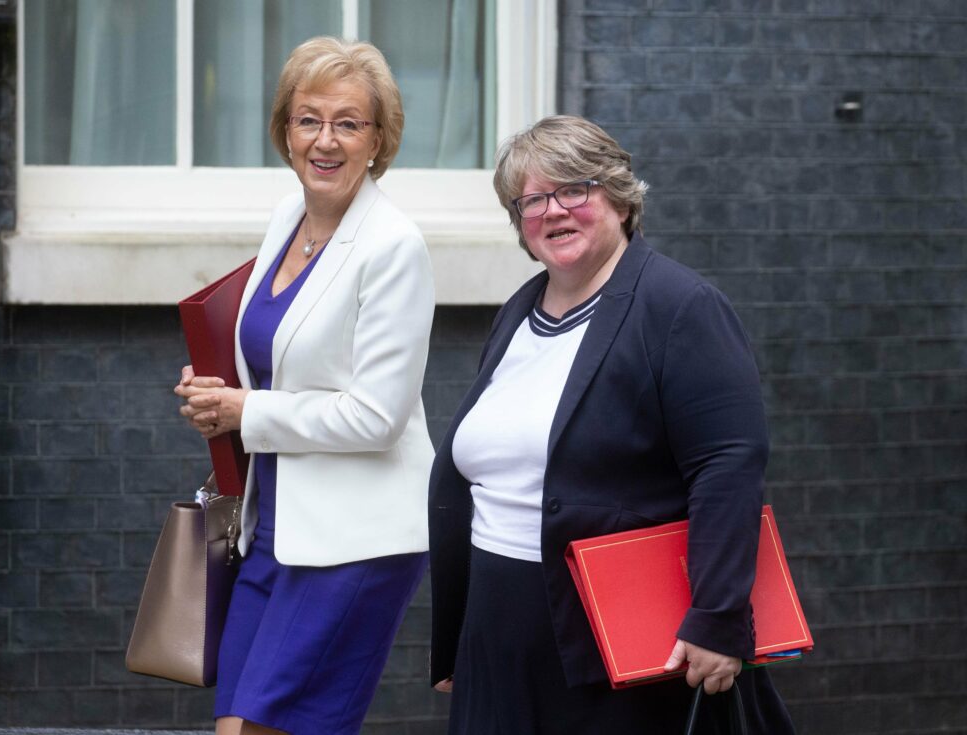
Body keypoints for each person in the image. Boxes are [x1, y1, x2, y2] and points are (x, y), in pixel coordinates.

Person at [428, 115, 795, 734]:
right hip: (498, 629)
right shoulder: (520, 311)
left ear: (621, 199)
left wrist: (718, 617)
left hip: (612, 644)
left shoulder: (679, 306)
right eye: (531, 200)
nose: (553, 210)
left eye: (574, 189)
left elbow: (727, 466)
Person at [175, 37, 435, 735]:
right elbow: (278, 362)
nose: (326, 140)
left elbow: (377, 416)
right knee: (235, 725)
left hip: (353, 539)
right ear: (284, 132)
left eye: (348, 123)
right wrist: (218, 394)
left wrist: (246, 410)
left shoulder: (394, 246)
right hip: (274, 526)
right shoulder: (286, 220)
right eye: (308, 120)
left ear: (378, 140)